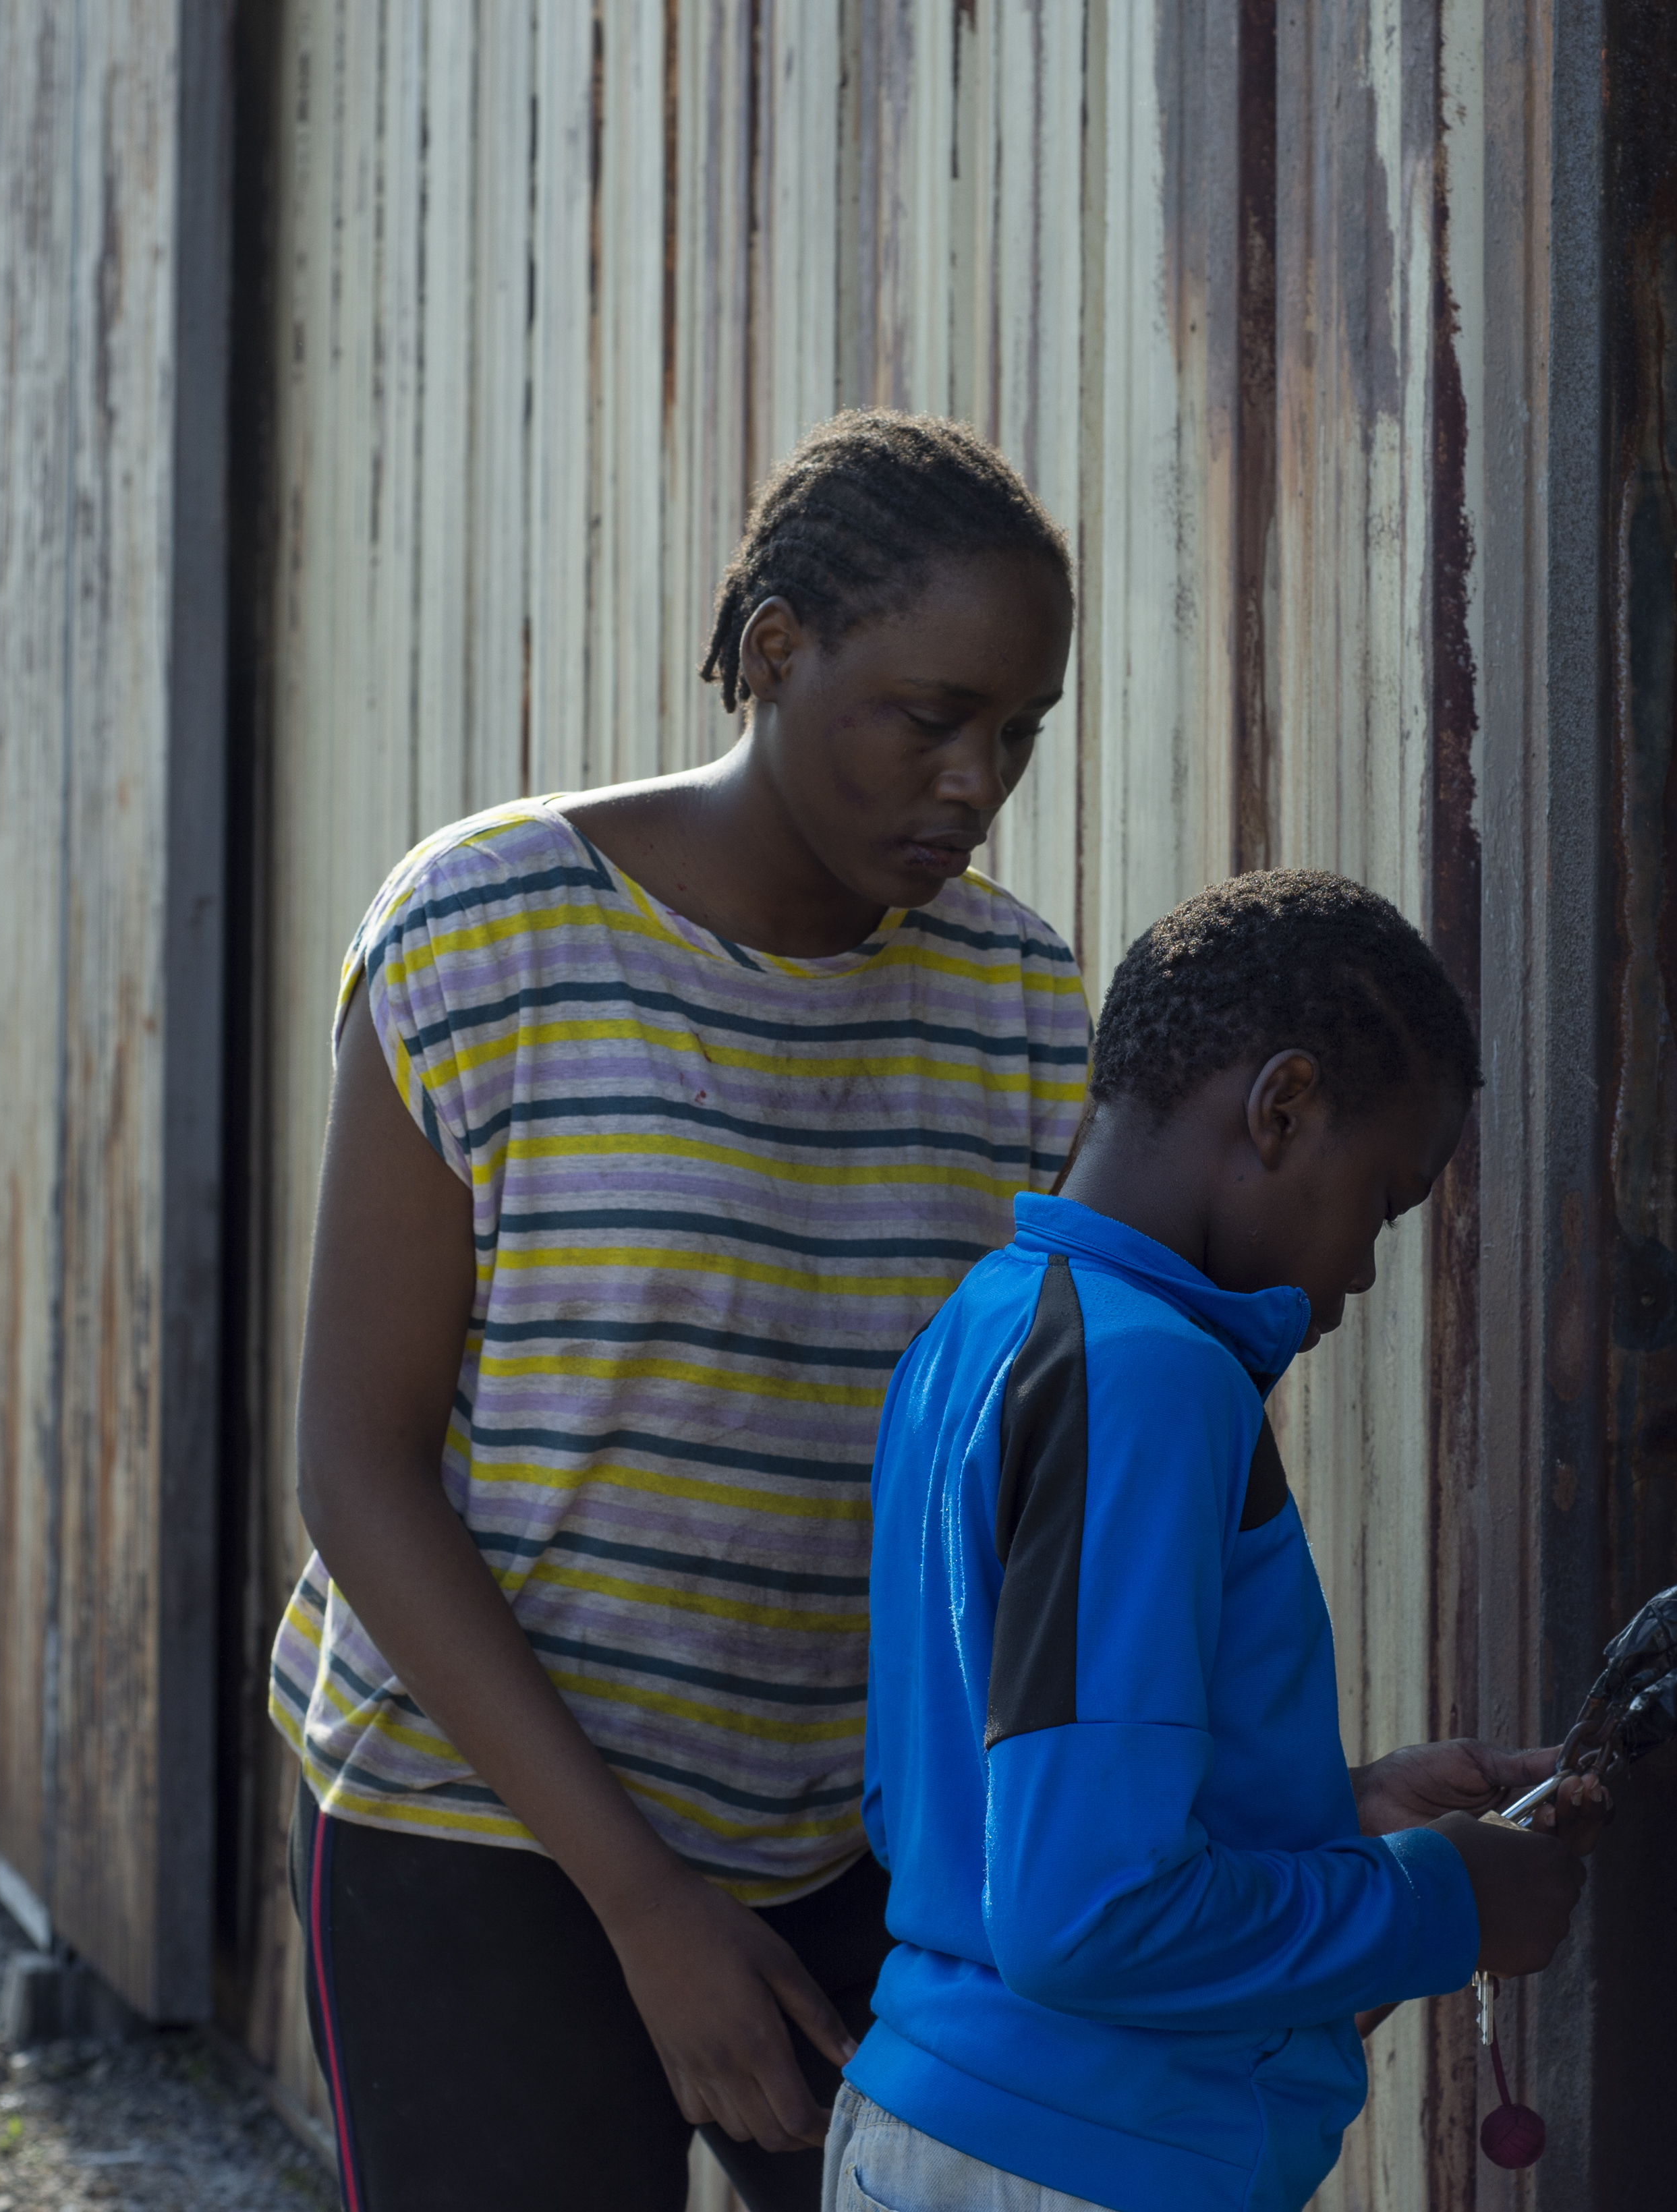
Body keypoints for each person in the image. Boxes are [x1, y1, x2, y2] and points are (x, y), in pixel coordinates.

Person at [271, 411, 1091, 2212]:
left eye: (1018, 734)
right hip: (479, 1833)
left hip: (854, 1844)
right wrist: (643, 1903)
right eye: (933, 717)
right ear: (778, 654)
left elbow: (1029, 1488)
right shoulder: (485, 931)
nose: (976, 780)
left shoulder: (1026, 1009)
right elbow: (356, 1464)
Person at [840, 871, 1605, 2212]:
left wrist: (1336, 1817)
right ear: (1283, 1105)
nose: (1365, 1271)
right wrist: (1437, 1904)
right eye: (1381, 1201)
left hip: (954, 2128)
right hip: (1079, 2158)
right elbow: (1085, 1914)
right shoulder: (1148, 1378)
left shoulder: (980, 1330)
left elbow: (945, 1816)